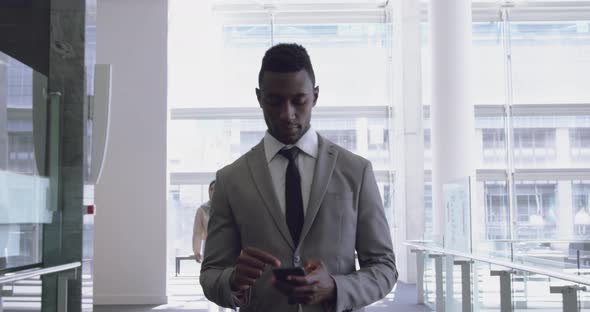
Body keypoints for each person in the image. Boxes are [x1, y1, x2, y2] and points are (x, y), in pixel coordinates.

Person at [200, 43, 398, 312]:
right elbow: (211, 273)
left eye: (299, 101)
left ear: (315, 96)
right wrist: (232, 280)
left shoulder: (356, 171)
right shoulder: (230, 180)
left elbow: (384, 268)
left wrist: (336, 288)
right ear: (259, 98)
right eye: (274, 101)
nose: (287, 114)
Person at [192, 180, 215, 263]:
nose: (214, 191)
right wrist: (196, 251)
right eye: (211, 189)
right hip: (209, 246)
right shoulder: (202, 209)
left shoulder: (228, 208)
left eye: (216, 189)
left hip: (226, 247)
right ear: (208, 191)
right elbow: (197, 232)